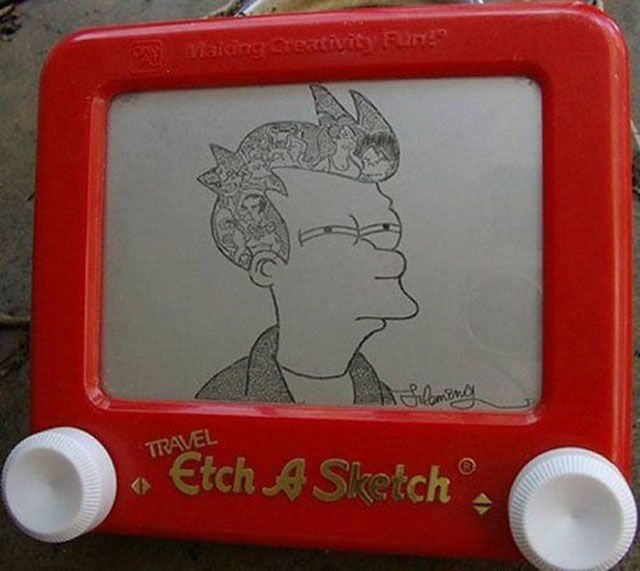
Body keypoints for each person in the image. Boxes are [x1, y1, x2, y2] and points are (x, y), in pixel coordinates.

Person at [196, 85, 418, 406]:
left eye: (385, 231)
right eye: (346, 232)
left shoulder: (383, 397)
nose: (395, 262)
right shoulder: (222, 400)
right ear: (268, 266)